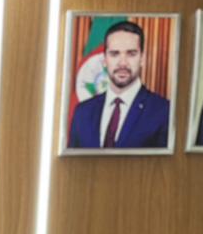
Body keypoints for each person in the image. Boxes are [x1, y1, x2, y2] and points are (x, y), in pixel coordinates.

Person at [68, 20, 170, 149]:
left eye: (131, 54)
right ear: (104, 60)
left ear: (142, 59)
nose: (122, 63)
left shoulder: (164, 111)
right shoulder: (82, 112)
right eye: (114, 54)